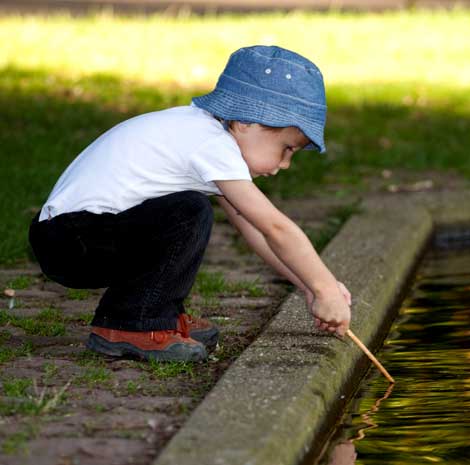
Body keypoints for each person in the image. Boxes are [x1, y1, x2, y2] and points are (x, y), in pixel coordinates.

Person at [28, 45, 352, 363]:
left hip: (73, 236)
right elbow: (276, 227)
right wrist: (325, 288)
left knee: (185, 211)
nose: (284, 164)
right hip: (74, 240)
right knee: (189, 213)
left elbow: (258, 231)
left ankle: (156, 316)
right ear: (246, 122)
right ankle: (134, 322)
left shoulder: (206, 135)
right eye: (287, 148)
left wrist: (309, 284)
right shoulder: (211, 144)